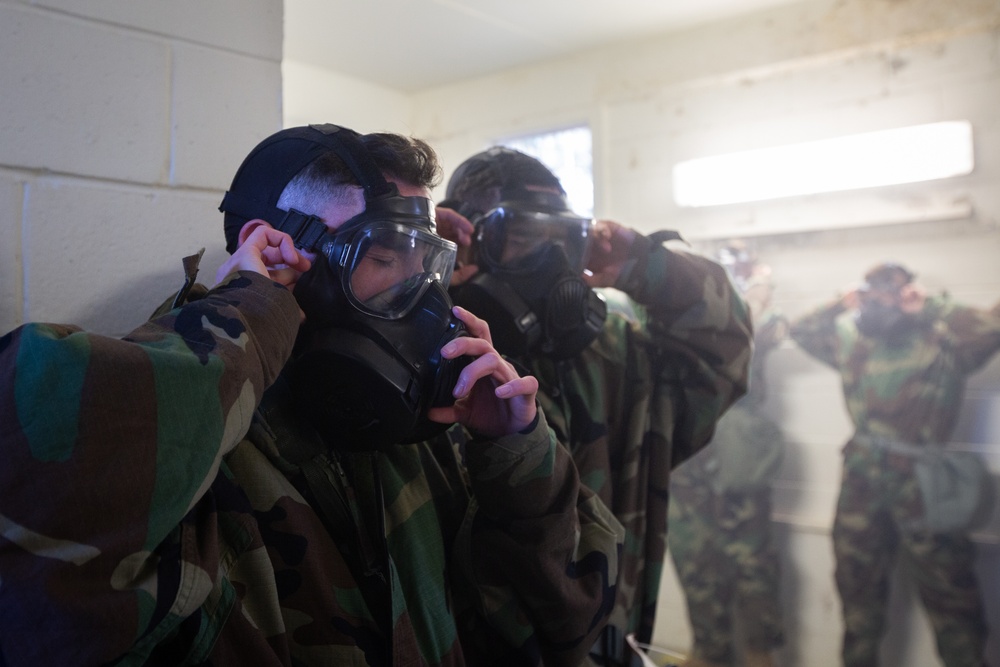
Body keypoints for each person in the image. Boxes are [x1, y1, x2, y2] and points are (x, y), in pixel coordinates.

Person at [0, 124, 624, 667]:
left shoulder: (432, 434)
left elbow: (565, 626)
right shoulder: (199, 459)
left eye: (428, 267)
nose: (429, 304)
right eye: (385, 256)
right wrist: (243, 314)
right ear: (274, 247)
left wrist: (515, 453)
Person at [435, 147, 755, 667]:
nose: (552, 262)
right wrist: (420, 286)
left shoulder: (610, 353)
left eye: (563, 241)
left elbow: (721, 353)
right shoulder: (434, 362)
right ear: (469, 242)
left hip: (608, 643)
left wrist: (643, 266)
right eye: (522, 238)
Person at [789, 261, 1000, 667]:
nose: (886, 295)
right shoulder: (851, 339)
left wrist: (931, 306)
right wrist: (840, 302)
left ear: (910, 293)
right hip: (861, 485)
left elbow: (993, 328)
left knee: (954, 603)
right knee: (858, 598)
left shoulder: (944, 340)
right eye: (877, 288)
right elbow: (800, 331)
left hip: (925, 486)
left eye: (896, 288)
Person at [667, 243, 787, 667]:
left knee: (756, 578)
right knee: (698, 574)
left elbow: (752, 322)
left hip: (738, 466)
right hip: (687, 472)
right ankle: (709, 652)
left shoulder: (746, 319)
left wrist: (759, 285)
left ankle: (758, 654)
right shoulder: (665, 317)